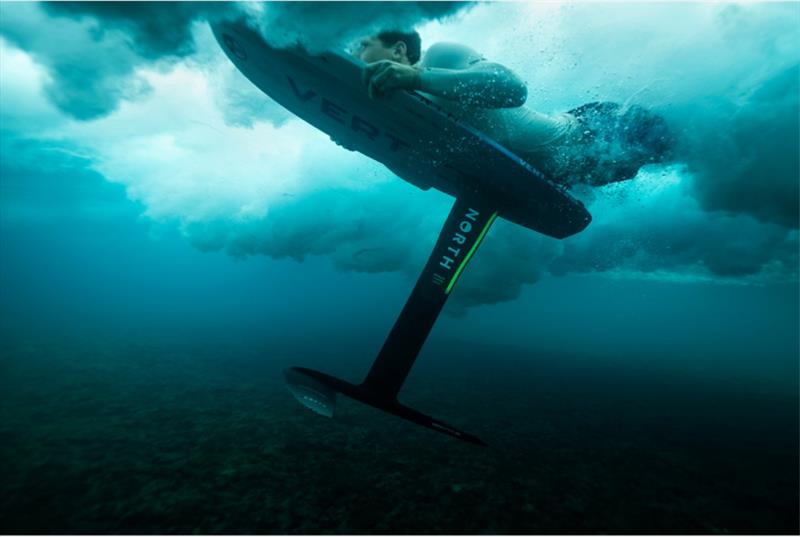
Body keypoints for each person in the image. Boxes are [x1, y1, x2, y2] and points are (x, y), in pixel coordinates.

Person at [356, 30, 673, 188]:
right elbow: (427, 177)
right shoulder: (408, 112)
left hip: (598, 128)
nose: (353, 53)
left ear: (398, 49)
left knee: (694, 146)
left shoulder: (437, 59)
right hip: (578, 171)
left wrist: (416, 77)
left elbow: (512, 89)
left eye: (362, 45)